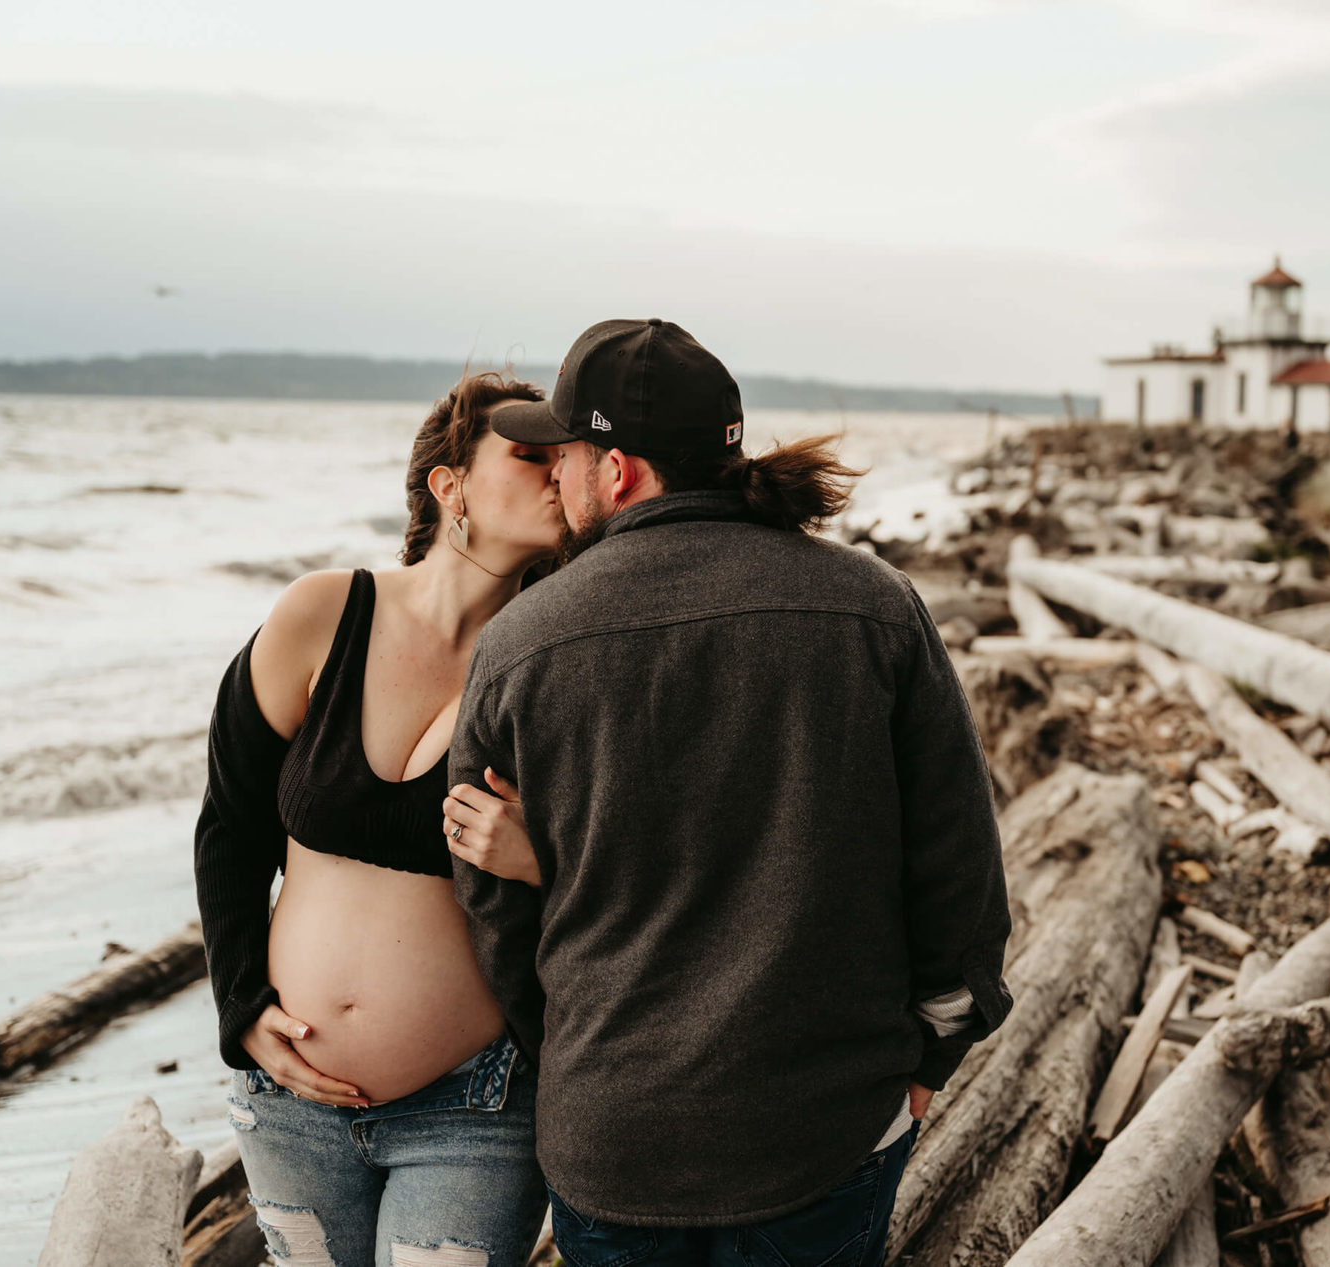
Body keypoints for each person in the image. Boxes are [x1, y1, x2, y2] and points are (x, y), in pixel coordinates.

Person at [442, 318, 1013, 1267]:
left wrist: (577, 1063)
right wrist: (931, 1057)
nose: (558, 475)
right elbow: (956, 865)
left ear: (618, 473)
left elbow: (494, 908)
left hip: (616, 1135)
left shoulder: (522, 642)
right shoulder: (876, 605)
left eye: (568, 453)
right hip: (826, 1124)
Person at [193, 371, 564, 1267]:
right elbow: (229, 826)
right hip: (290, 1103)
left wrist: (541, 860)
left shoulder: (558, 660)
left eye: (568, 458)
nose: (559, 474)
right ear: (451, 485)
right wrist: (241, 1005)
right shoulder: (323, 614)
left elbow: (642, 858)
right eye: (529, 456)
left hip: (474, 1106)